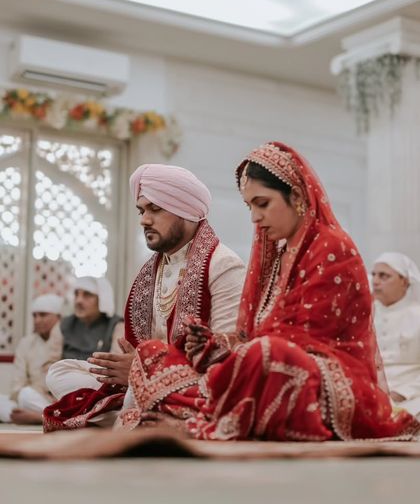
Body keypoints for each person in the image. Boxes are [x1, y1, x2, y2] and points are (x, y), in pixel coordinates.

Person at [114, 141, 419, 440]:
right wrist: (214, 345)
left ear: (297, 197)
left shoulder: (331, 246)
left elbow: (301, 342)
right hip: (266, 370)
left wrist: (238, 354)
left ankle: (203, 412)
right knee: (153, 353)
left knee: (268, 355)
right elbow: (254, 335)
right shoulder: (277, 255)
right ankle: (208, 410)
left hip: (321, 382)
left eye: (263, 204)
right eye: (249, 206)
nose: (254, 217)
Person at [43, 164, 245, 430]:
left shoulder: (224, 266)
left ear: (185, 210)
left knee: (135, 395)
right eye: (141, 210)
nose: (144, 220)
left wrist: (145, 372)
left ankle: (127, 416)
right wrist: (134, 371)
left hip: (195, 384)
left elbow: (226, 358)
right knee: (59, 373)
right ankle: (134, 416)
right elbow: (138, 351)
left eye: (155, 209)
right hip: (144, 385)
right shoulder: (152, 270)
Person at [45, 276, 123, 399]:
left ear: (102, 299)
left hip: (99, 386)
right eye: (76, 294)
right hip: (63, 385)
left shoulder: (116, 326)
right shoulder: (64, 325)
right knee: (27, 394)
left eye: (87, 295)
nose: (78, 301)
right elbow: (50, 364)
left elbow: (116, 367)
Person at [0, 294, 63, 424]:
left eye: (43, 315)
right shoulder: (26, 343)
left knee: (26, 396)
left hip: (58, 401)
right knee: (22, 395)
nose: (37, 320)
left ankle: (39, 417)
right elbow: (18, 383)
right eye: (34, 315)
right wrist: (20, 397)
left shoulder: (67, 339)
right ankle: (44, 417)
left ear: (58, 317)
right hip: (32, 398)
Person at [372, 252, 420, 417]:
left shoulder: (417, 316)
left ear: (404, 282)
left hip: (411, 394)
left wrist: (401, 393)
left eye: (384, 276)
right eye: (374, 275)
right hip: (370, 391)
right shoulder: (365, 314)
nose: (376, 281)